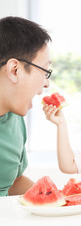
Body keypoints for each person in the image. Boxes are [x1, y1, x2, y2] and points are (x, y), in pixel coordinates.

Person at [0, 16, 52, 196]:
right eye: (45, 72)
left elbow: (13, 181)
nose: (47, 84)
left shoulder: (15, 120)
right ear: (14, 70)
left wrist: (57, 199)